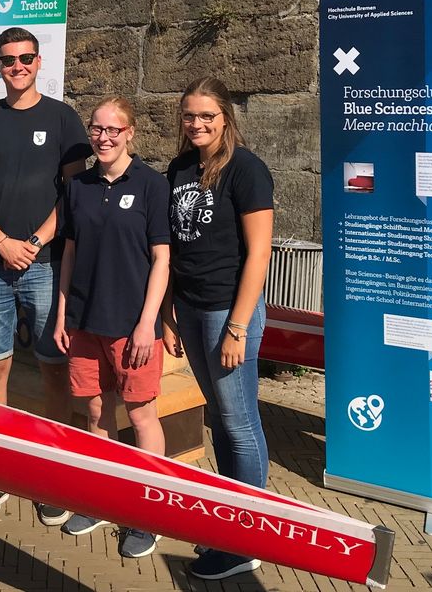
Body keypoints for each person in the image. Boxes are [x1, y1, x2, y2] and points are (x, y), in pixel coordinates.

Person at [0, 26, 91, 525]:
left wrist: (34, 242)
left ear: (39, 62)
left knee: (55, 370)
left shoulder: (62, 118)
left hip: (45, 268)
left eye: (26, 58)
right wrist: (1, 242)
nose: (17, 66)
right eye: (8, 59)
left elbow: (73, 194)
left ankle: (51, 470)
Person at [163, 76, 274, 581]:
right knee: (223, 422)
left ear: (225, 117)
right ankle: (234, 517)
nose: (197, 124)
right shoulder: (181, 167)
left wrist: (238, 327)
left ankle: (246, 535)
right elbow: (176, 248)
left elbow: (259, 254)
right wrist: (169, 313)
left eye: (207, 115)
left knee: (240, 422)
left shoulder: (247, 170)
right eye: (190, 115)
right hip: (190, 307)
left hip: (228, 312)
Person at [53, 96, 170, 558]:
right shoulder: (78, 185)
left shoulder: (151, 185)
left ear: (130, 133)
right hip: (84, 320)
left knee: (142, 415)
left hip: (130, 324)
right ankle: (103, 499)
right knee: (97, 415)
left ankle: (148, 512)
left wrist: (147, 324)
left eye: (113, 130)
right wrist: (62, 312)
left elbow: (161, 259)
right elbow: (70, 252)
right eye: (97, 129)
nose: (103, 137)